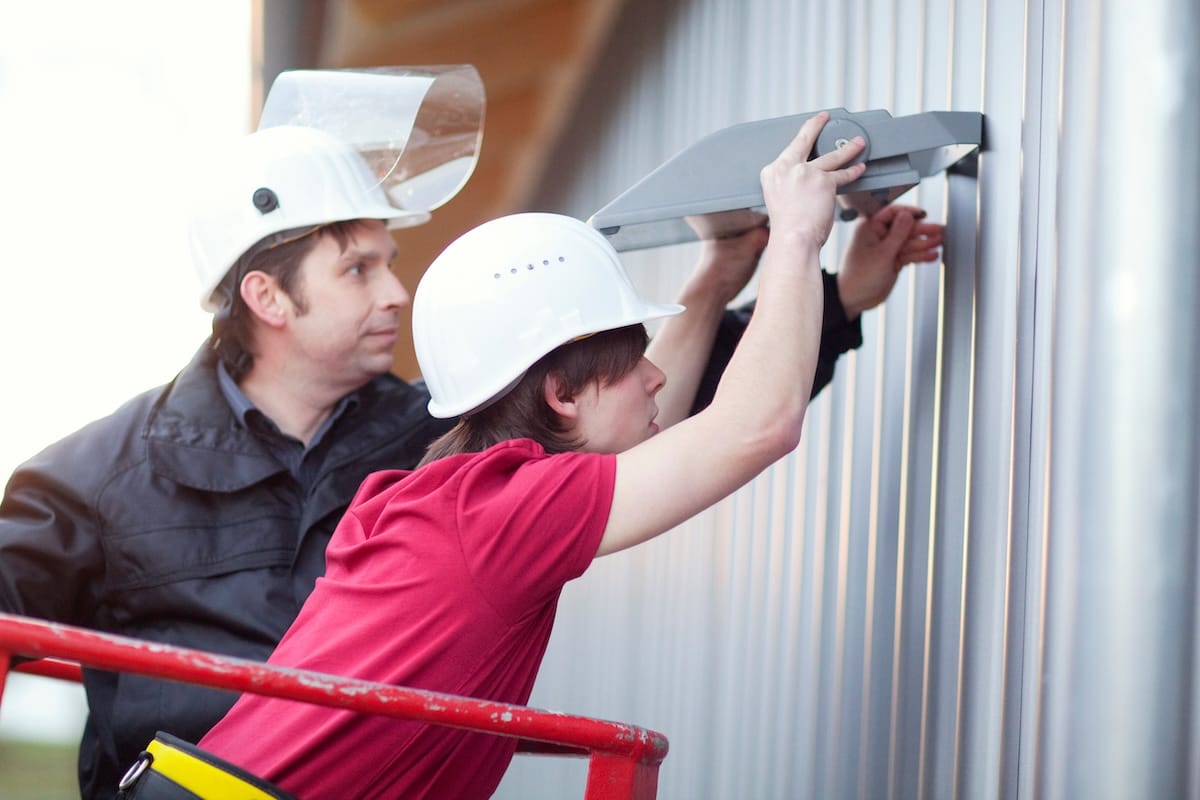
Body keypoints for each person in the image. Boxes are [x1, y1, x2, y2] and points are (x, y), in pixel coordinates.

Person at [0, 118, 937, 798]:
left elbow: (644, 413)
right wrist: (799, 234)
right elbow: (741, 427)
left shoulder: (426, 471)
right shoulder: (493, 507)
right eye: (358, 267)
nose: (393, 292)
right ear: (266, 297)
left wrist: (755, 286)